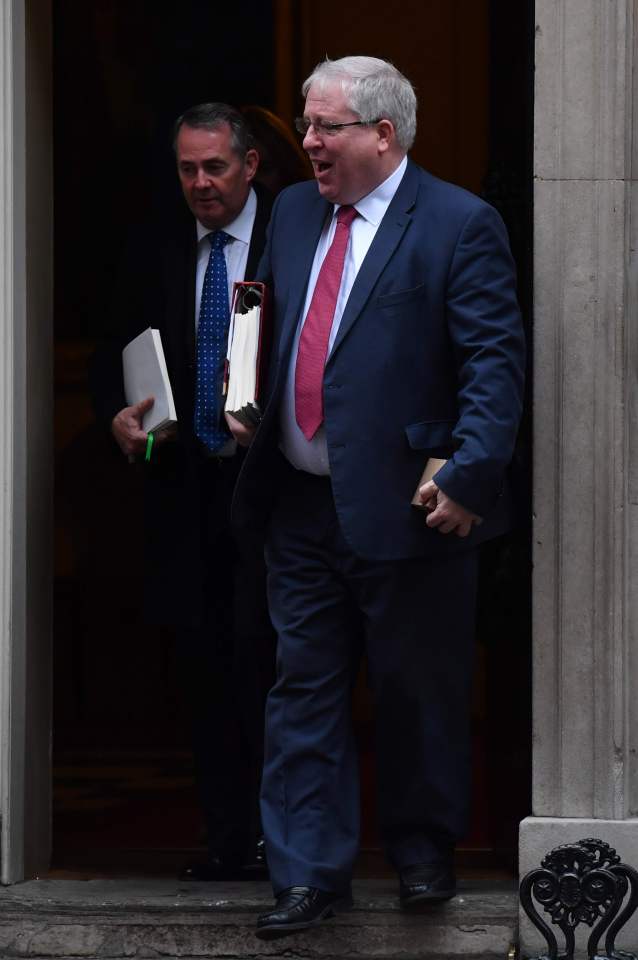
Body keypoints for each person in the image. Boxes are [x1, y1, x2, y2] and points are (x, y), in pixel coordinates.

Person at [225, 57, 526, 937]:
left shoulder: (459, 224)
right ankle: (307, 876)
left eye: (325, 128)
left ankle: (423, 852)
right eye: (308, 125)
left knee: (416, 690)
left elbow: (493, 365)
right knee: (303, 691)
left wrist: (470, 474)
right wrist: (243, 395)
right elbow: (266, 315)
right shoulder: (288, 212)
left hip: (411, 504)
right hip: (299, 505)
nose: (306, 142)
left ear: (383, 135)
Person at [90, 102, 276, 881]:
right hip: (184, 487)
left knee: (271, 667)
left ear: (251, 165)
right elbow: (115, 350)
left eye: (215, 168)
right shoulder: (158, 246)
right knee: (202, 665)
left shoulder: (296, 234)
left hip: (272, 491)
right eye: (187, 170)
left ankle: (289, 843)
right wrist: (119, 420)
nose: (200, 184)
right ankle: (228, 841)